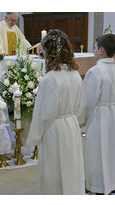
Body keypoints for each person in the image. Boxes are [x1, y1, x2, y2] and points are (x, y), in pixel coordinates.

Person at [26, 29, 85, 195]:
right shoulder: (75, 75)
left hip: (54, 128)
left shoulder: (50, 78)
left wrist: (36, 136)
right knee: (71, 169)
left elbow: (42, 113)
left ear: (49, 53)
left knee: (53, 172)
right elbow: (79, 104)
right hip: (71, 125)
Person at [76, 34, 115, 195]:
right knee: (111, 150)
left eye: (95, 48)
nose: (94, 51)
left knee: (97, 151)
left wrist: (79, 120)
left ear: (102, 50)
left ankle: (98, 187)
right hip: (113, 112)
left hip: (99, 115)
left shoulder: (95, 71)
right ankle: (112, 184)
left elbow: (88, 101)